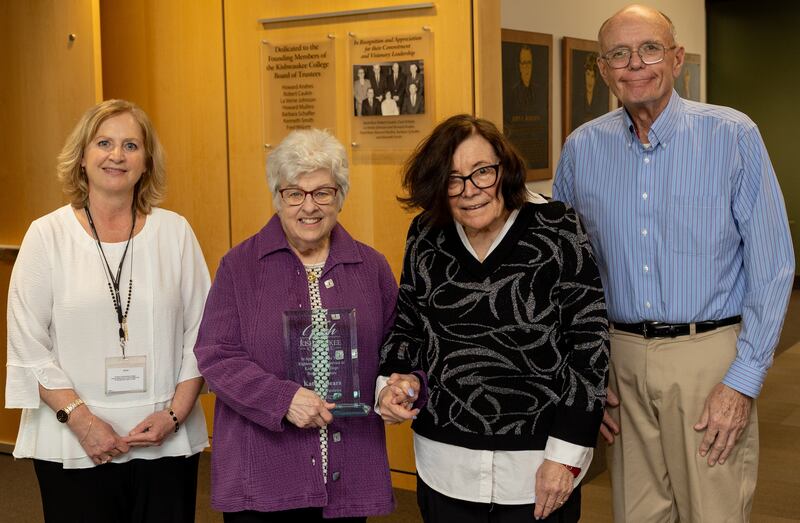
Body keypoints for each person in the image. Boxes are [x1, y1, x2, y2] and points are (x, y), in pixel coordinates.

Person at [552, 5, 795, 522]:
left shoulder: (732, 136)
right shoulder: (581, 149)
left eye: (649, 49)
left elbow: (773, 266)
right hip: (619, 361)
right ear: (601, 69)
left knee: (714, 512)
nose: (635, 64)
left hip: (708, 359)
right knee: (635, 514)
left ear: (677, 58)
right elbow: (568, 273)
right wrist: (590, 375)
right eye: (619, 53)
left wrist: (742, 381)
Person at [377, 114, 609, 523]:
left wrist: (566, 457)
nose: (470, 191)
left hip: (538, 466)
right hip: (445, 462)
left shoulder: (557, 227)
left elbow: (589, 346)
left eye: (482, 172)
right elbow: (409, 324)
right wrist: (394, 381)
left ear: (505, 169)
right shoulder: (426, 234)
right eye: (452, 179)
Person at [5, 99, 211, 522]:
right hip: (72, 439)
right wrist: (83, 422)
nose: (117, 156)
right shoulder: (47, 236)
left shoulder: (175, 233)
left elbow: (204, 334)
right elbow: (28, 345)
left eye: (131, 146)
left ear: (146, 162)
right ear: (82, 157)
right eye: (104, 143)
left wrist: (175, 414)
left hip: (165, 438)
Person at [193, 129, 397, 522]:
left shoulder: (371, 267)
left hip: (349, 469)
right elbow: (216, 356)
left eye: (323, 192)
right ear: (278, 197)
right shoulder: (239, 267)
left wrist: (398, 385)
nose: (310, 206)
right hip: (264, 476)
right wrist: (282, 399)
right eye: (295, 193)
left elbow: (397, 347)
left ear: (340, 196)